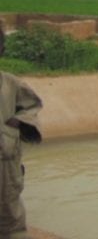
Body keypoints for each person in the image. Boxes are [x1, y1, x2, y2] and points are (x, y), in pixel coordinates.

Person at [1, 72, 43, 239]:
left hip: (7, 162)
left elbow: (32, 105)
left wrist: (18, 121)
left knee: (10, 216)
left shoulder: (11, 84)